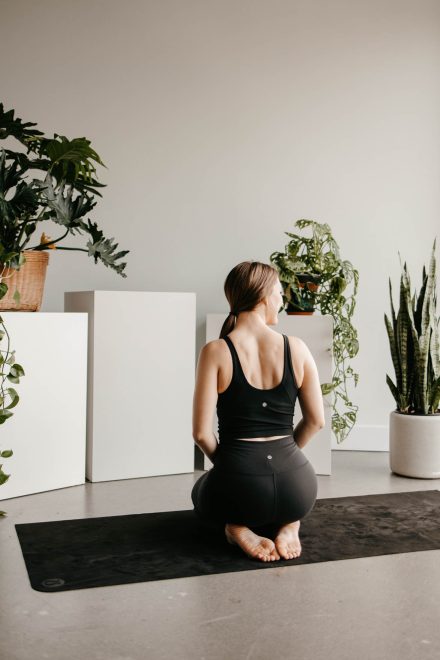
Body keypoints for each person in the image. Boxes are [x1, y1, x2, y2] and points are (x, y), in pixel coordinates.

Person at [191, 261, 325, 562]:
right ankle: (291, 523)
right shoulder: (298, 348)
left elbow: (201, 433)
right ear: (264, 297)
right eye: (279, 292)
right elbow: (316, 421)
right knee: (288, 501)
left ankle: (236, 526)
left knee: (201, 492)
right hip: (299, 487)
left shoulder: (215, 351)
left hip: (239, 485)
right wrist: (286, 450)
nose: (282, 299)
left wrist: (230, 465)